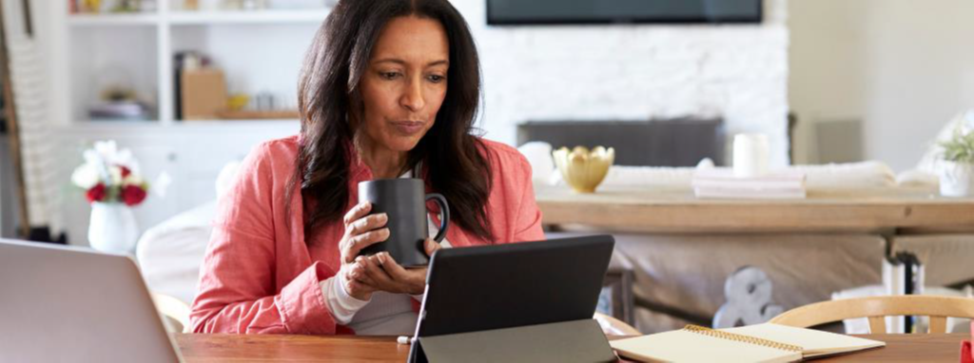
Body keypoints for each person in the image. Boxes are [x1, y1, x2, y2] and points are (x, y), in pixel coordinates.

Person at [189, 0, 544, 336]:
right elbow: (208, 328)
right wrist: (338, 293)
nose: (415, 100)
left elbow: (543, 318)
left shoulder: (501, 172)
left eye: (435, 77)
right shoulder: (273, 170)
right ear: (344, 77)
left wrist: (444, 288)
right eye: (391, 74)